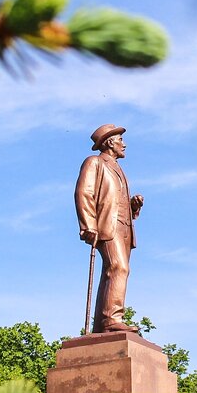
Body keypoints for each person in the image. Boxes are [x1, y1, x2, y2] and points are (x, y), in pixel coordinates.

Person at [75, 124, 144, 333]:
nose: (124, 144)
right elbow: (84, 193)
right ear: (109, 142)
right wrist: (89, 225)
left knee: (111, 272)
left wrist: (132, 206)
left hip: (124, 227)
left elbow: (114, 200)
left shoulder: (118, 169)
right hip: (108, 227)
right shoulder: (94, 162)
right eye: (120, 140)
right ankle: (112, 320)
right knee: (118, 268)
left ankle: (102, 325)